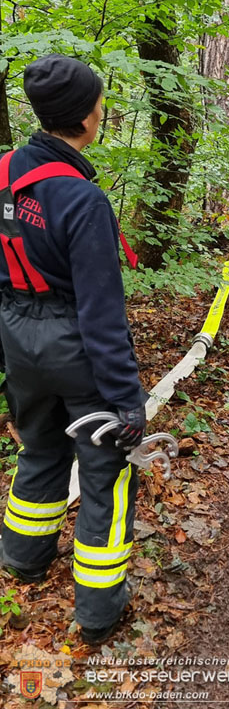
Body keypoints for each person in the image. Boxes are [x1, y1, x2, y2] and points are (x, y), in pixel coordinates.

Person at [0, 54, 146, 644]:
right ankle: (98, 611)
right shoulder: (82, 201)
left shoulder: (4, 175)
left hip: (17, 339)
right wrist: (127, 403)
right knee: (106, 471)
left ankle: (24, 560)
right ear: (89, 117)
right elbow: (102, 315)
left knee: (37, 449)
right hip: (73, 347)